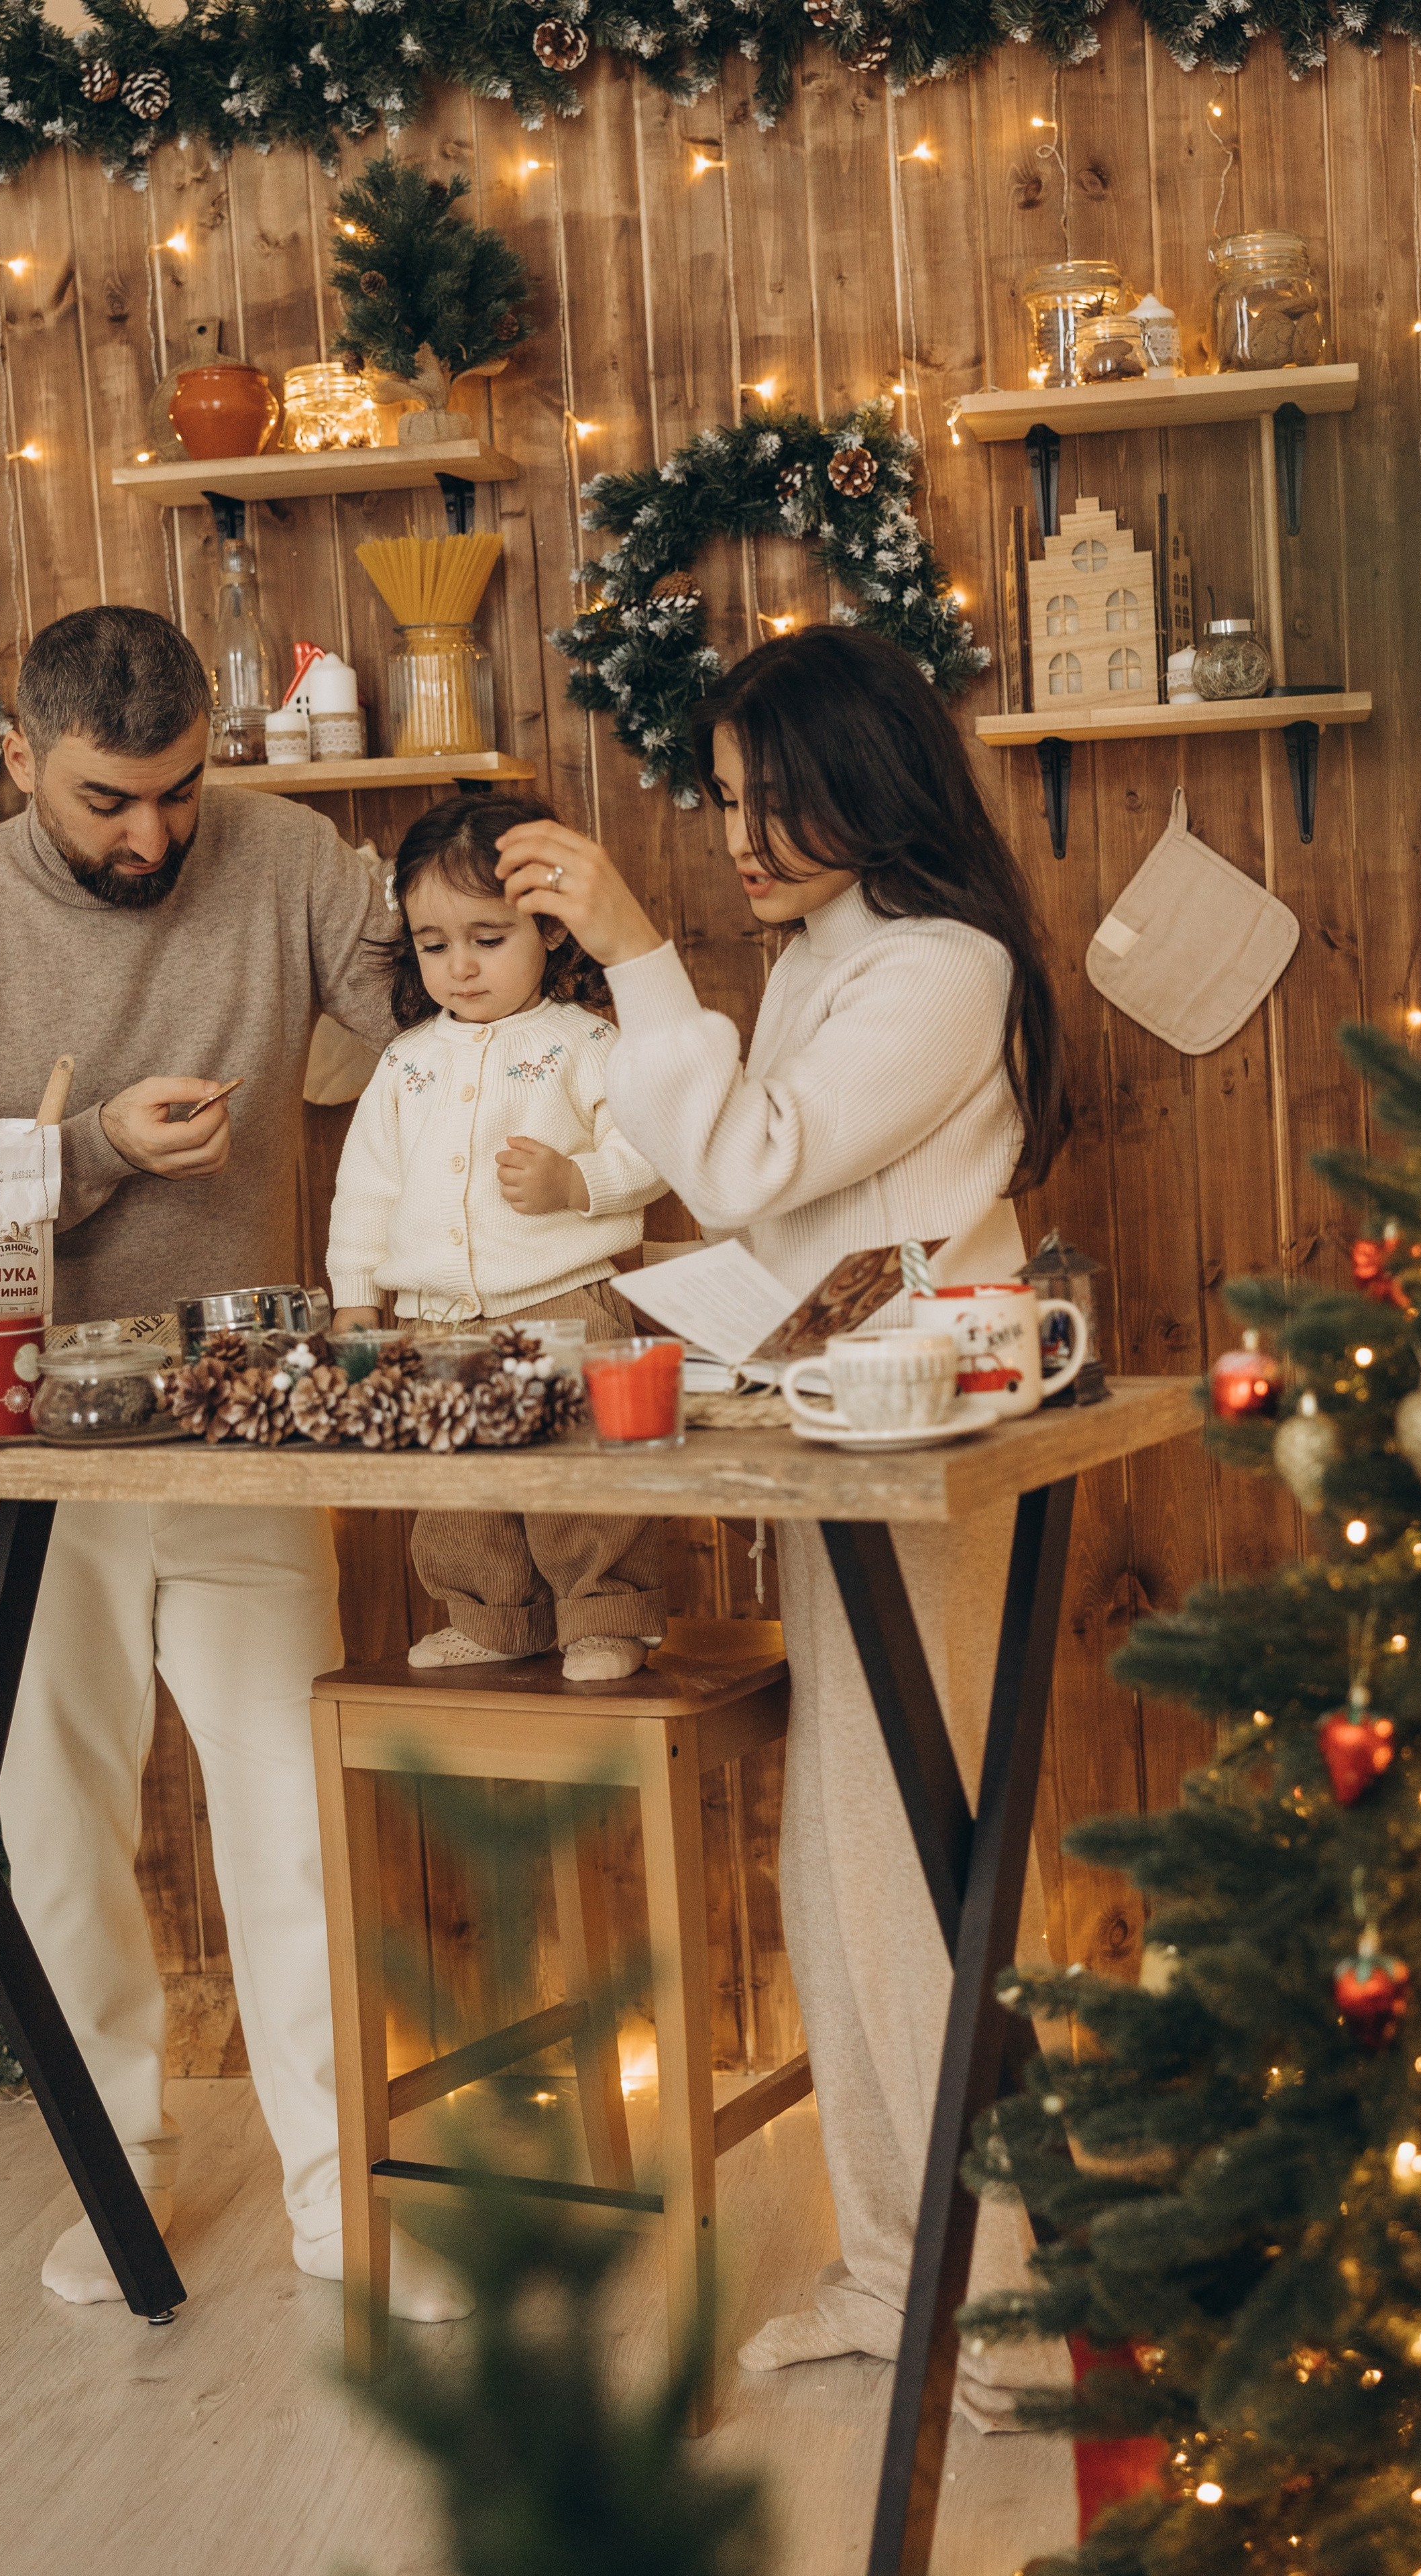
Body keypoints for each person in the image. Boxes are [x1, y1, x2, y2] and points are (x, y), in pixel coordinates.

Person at [0, 606, 464, 2321]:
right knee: (51, 1832)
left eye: (178, 791)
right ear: (21, 760)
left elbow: (431, 1024)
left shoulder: (284, 857)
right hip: (23, 1438)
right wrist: (89, 1154)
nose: (151, 834)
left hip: (246, 1415)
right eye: (107, 802)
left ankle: (349, 2209)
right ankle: (113, 2176)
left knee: (297, 1821)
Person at [494, 627, 1074, 2420]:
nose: (740, 837)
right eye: (727, 801)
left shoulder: (946, 969)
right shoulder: (832, 957)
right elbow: (767, 1212)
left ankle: (984, 2310)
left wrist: (635, 948)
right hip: (834, 1441)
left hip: (928, 1448)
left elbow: (748, 1165)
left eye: (775, 799)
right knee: (842, 1867)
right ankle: (905, 2267)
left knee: (901, 1870)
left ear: (868, 779)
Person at [329, 794, 668, 1680]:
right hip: (434, 1323)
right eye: (435, 946)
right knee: (457, 1486)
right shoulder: (405, 1064)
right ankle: (490, 1617)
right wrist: (356, 1303)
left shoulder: (584, 1044)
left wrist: (576, 1182)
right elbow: (364, 1191)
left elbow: (653, 1148)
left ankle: (605, 1616)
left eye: (488, 939)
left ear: (550, 929)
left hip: (563, 1304)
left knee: (581, 1479)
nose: (460, 969)